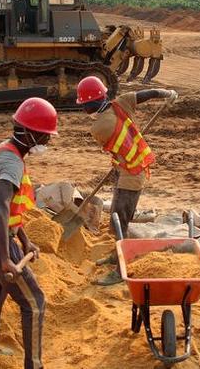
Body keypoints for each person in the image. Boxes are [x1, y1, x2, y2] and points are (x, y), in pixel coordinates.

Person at [0, 97, 58, 368]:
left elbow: (10, 212)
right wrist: (7, 258)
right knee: (35, 302)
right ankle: (35, 365)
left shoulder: (3, 151)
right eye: (46, 136)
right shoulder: (12, 165)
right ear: (32, 134)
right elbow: (0, 207)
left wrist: (26, 241)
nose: (48, 142)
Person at [76, 76, 177, 285]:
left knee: (119, 223)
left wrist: (119, 163)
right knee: (117, 218)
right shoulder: (120, 104)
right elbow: (143, 95)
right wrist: (166, 93)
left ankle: (120, 270)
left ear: (94, 102)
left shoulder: (98, 128)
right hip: (129, 170)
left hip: (131, 176)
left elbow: (115, 138)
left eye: (85, 105)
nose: (84, 109)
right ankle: (116, 254)